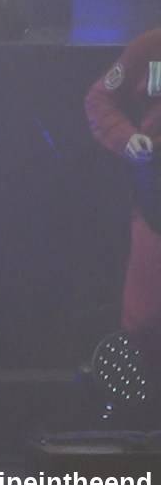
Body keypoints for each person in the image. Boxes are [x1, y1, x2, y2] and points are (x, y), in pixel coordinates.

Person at [85, 28, 161, 364]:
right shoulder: (151, 46)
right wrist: (125, 138)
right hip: (155, 186)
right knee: (145, 316)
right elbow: (99, 99)